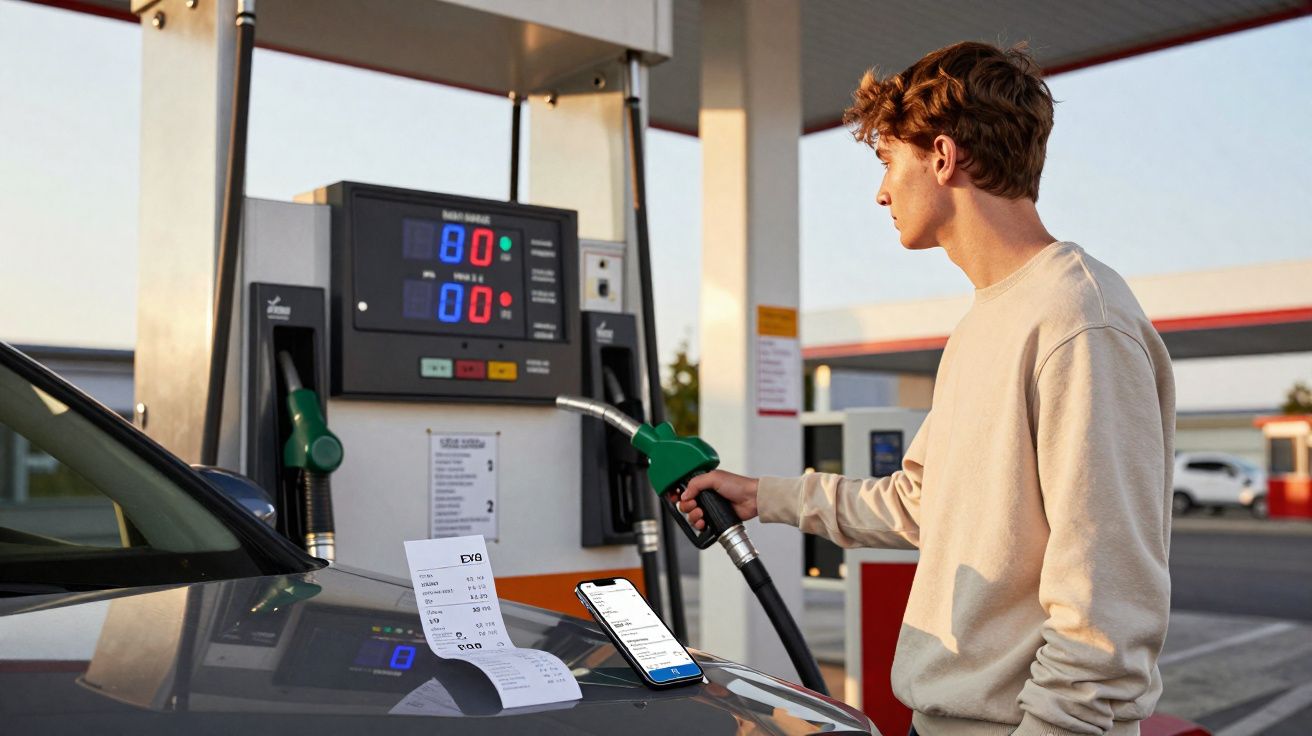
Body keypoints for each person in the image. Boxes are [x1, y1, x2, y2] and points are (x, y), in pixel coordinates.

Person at [676, 42, 1175, 736]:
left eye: (888, 162)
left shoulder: (1080, 323)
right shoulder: (989, 318)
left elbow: (1108, 608)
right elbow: (923, 503)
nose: (881, 192)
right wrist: (762, 496)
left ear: (942, 157)